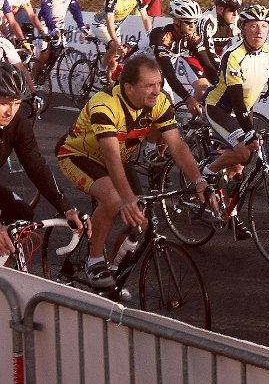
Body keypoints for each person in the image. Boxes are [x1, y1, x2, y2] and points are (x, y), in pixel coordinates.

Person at [57, 56, 212, 289]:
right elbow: (109, 155)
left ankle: (110, 272)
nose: (156, 91)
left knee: (140, 221)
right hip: (80, 156)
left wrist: (199, 180)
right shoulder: (105, 103)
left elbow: (177, 145)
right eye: (149, 86)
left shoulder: (159, 102)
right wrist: (127, 198)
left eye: (159, 84)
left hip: (120, 159)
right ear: (128, 87)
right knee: (113, 198)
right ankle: (94, 261)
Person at [202, 4, 269, 240]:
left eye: (264, 26)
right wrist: (249, 131)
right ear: (242, 29)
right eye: (253, 26)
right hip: (220, 109)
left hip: (244, 111)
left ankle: (230, 214)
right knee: (243, 152)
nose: (259, 31)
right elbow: (235, 98)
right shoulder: (234, 56)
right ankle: (206, 172)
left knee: (239, 167)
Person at [0, 63, 86, 256]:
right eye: (5, 102)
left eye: (16, 103)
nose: (10, 111)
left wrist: (66, 209)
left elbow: (36, 166)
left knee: (22, 214)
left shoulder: (18, 123)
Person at [150, 0, 216, 119]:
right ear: (176, 21)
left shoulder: (193, 38)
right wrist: (188, 98)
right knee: (163, 111)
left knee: (168, 114)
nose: (192, 26)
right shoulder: (161, 36)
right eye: (188, 22)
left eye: (195, 22)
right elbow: (168, 71)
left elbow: (208, 66)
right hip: (137, 70)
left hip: (158, 73)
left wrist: (224, 86)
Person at [90, 0, 151, 85]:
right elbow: (109, 23)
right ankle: (102, 70)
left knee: (115, 60)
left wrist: (150, 33)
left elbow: (146, 18)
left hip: (115, 26)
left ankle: (111, 86)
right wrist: (117, 44)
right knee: (114, 47)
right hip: (101, 25)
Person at [33, 0, 89, 84]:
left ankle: (45, 72)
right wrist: (52, 28)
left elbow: (75, 8)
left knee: (58, 49)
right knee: (45, 53)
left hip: (60, 23)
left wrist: (81, 25)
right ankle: (32, 79)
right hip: (45, 23)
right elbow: (46, 12)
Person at [198, 0, 242, 68]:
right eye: (231, 10)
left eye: (237, 9)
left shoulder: (237, 20)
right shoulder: (207, 20)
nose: (235, 14)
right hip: (198, 56)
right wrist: (222, 69)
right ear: (220, 8)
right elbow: (207, 50)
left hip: (216, 56)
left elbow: (244, 45)